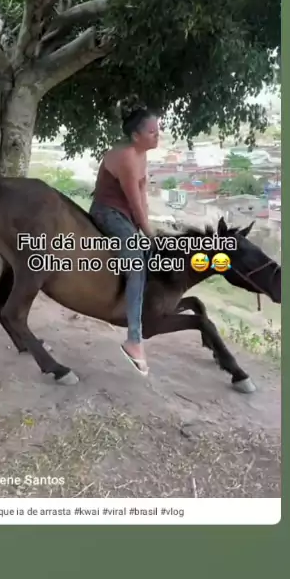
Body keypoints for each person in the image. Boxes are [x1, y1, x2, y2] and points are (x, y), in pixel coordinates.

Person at [90, 98, 159, 376]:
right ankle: (133, 339)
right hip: (108, 213)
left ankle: (138, 308)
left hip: (126, 216)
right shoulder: (127, 157)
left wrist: (148, 228)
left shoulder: (141, 155)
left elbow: (142, 195)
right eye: (152, 132)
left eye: (158, 131)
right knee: (137, 264)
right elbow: (133, 201)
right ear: (136, 136)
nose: (157, 136)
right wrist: (147, 231)